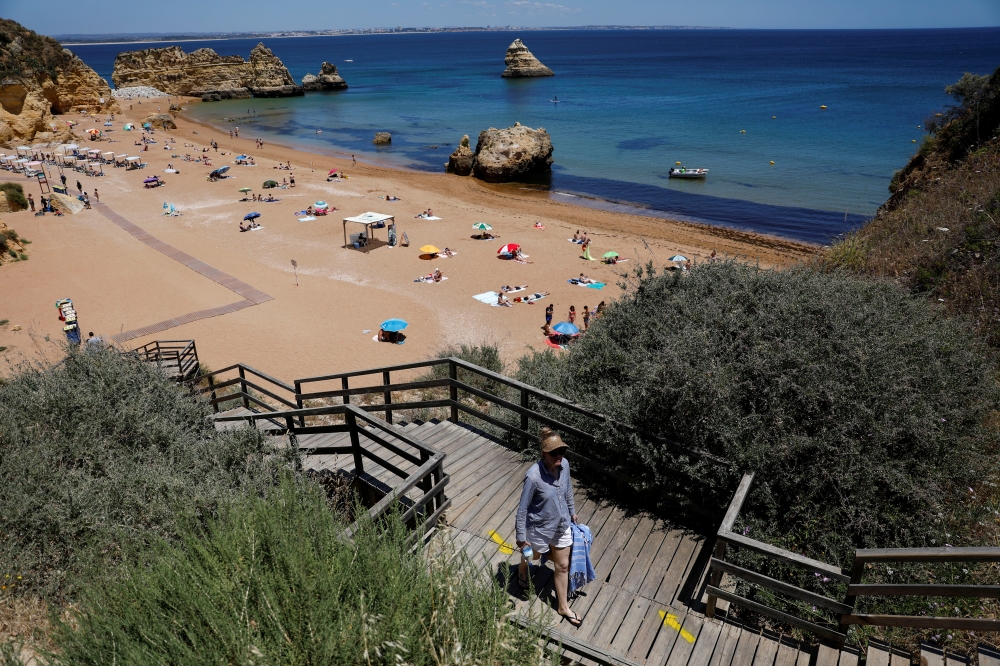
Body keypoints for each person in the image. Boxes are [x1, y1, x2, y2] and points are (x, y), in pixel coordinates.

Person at [516, 427, 581, 627]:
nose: (559, 456)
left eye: (562, 451)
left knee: (562, 566)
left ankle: (563, 606)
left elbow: (567, 490)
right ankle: (522, 567)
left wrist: (572, 511)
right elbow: (522, 509)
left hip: (562, 524)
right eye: (554, 453)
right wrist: (521, 536)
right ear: (544, 453)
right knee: (532, 555)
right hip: (539, 528)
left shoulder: (565, 465)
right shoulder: (533, 476)